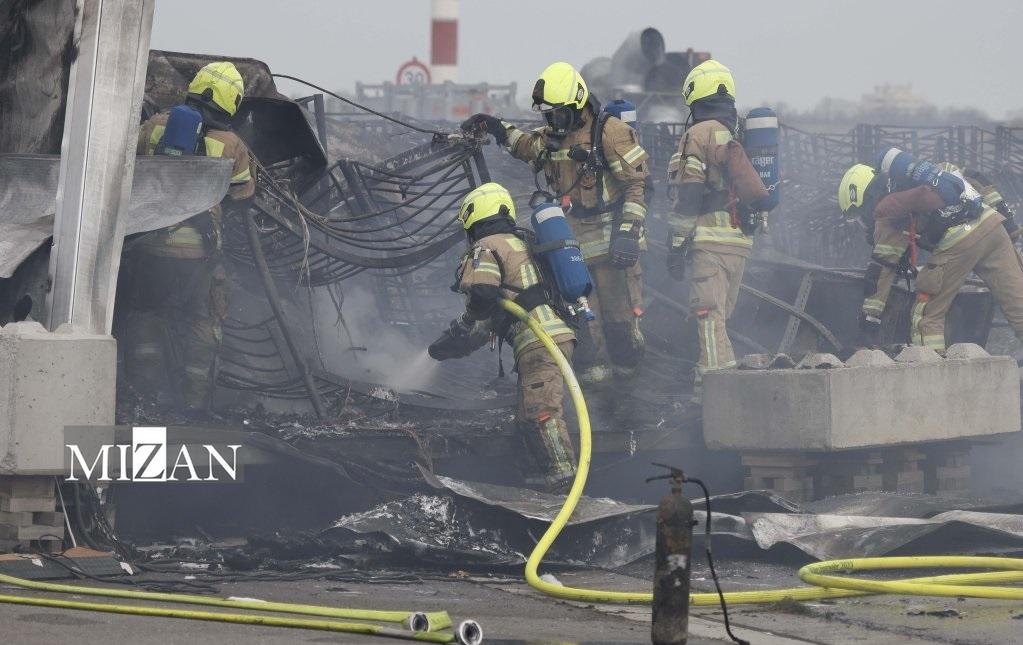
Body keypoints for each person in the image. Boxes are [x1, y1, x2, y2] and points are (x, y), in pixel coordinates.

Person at [459, 62, 650, 411]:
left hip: (612, 244)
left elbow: (637, 187)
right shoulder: (550, 137)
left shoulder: (610, 133)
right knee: (585, 330)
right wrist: (496, 126)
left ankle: (632, 394)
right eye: (549, 117)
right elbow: (527, 146)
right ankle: (598, 401)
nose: (553, 124)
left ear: (578, 105)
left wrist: (628, 233)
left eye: (559, 115)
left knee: (620, 325)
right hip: (573, 246)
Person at [124, 61, 255, 413]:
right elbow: (243, 194)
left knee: (146, 313)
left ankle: (146, 396)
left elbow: (126, 167)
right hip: (198, 253)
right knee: (202, 321)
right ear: (232, 100)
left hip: (148, 243)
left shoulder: (154, 126)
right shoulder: (231, 144)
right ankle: (194, 403)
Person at [429, 182, 577, 491]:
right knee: (526, 417)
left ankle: (566, 483)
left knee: (542, 412)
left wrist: (464, 322)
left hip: (540, 342)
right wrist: (451, 345)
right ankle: (542, 480)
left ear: (473, 217)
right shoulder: (519, 243)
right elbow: (496, 316)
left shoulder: (487, 246)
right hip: (549, 336)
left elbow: (483, 295)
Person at [838, 158, 1023, 350]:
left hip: (960, 242)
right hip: (993, 227)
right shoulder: (928, 173)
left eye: (858, 215)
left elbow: (883, 270)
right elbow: (975, 177)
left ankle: (933, 370)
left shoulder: (887, 211)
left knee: (925, 318)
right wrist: (1010, 225)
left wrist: (870, 318)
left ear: (863, 198)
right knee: (1019, 307)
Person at [665, 60, 768, 401]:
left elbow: (690, 193)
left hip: (709, 240)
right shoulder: (737, 132)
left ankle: (715, 397)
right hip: (739, 241)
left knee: (708, 317)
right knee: (720, 319)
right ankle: (712, 389)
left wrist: (677, 241)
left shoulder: (699, 133)